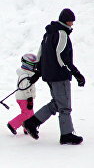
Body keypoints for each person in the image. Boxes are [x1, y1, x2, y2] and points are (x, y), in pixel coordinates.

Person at [22, 8, 85, 145]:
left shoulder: (47, 35)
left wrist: (37, 74)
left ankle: (32, 122)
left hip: (49, 76)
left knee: (57, 103)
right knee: (64, 107)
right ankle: (67, 135)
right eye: (70, 21)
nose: (72, 24)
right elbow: (61, 56)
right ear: (65, 20)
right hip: (60, 76)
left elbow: (40, 56)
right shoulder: (61, 33)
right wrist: (76, 73)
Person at [7, 54, 37, 135]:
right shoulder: (25, 76)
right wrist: (29, 99)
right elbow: (26, 89)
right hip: (24, 98)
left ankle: (28, 128)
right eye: (34, 65)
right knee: (26, 114)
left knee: (30, 114)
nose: (35, 67)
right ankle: (12, 124)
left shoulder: (28, 74)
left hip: (25, 97)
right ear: (29, 65)